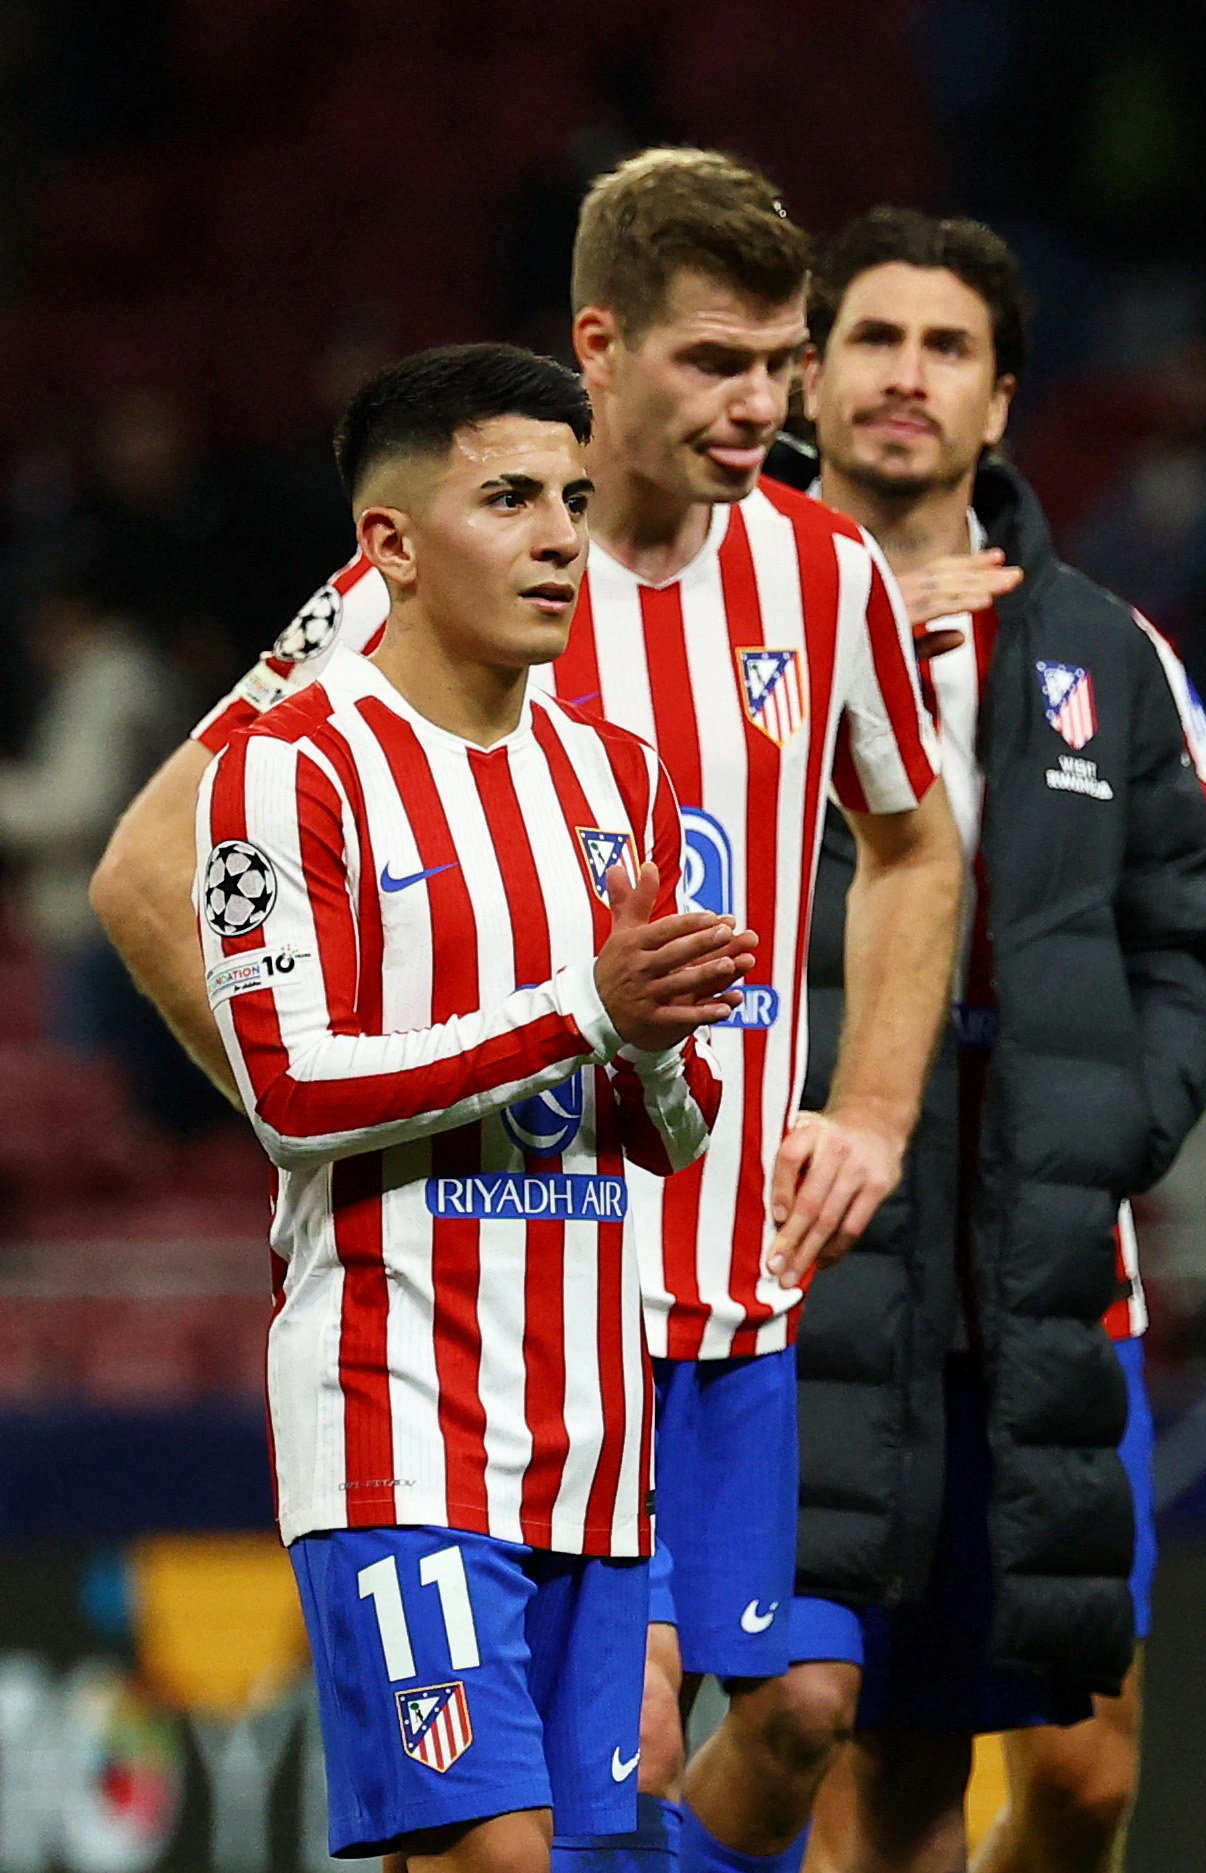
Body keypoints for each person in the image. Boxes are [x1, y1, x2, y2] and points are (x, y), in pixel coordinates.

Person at [88, 150, 961, 1873]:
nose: (768, 405)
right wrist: (337, 1127)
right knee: (569, 1801)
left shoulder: (824, 576)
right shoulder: (400, 594)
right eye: (720, 361)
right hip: (483, 1307)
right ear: (602, 347)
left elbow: (915, 847)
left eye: (785, 363)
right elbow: (142, 872)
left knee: (787, 1720)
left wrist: (867, 1109)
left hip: (726, 1269)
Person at [201, 342, 739, 1873]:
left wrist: (651, 1050)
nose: (562, 535)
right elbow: (295, 1090)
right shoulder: (288, 771)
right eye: (507, 497)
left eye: (573, 497)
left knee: (570, 1859)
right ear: (388, 546)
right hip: (393, 1419)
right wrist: (586, 1010)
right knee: (492, 1856)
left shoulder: (615, 778)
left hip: (590, 1431)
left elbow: (672, 1137)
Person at [770, 209, 1206, 1873]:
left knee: (1085, 1769)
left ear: (1000, 400)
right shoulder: (717, 630)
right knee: (865, 1755)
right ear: (805, 380)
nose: (906, 375)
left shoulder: (1099, 650)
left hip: (1045, 1265)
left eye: (947, 347)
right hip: (820, 1265)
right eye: (874, 340)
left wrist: (1111, 1114)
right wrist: (842, 649)